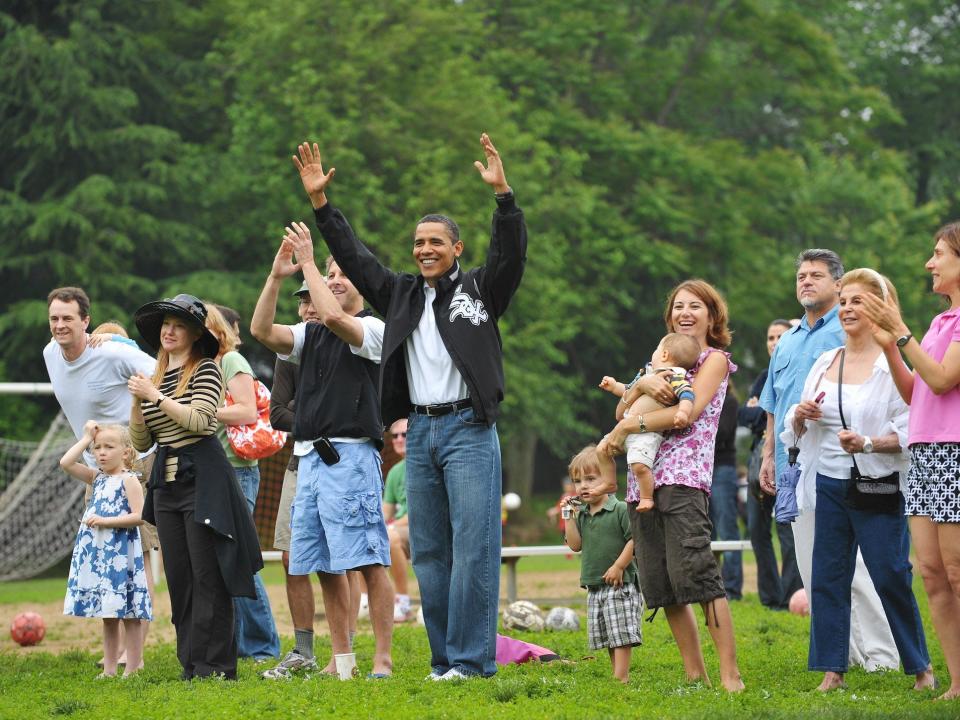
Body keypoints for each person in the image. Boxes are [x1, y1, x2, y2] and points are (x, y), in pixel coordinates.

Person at [291, 133, 526, 680]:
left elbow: (511, 255)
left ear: (456, 250)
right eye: (419, 242)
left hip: (469, 428)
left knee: (473, 548)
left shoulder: (480, 291)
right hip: (419, 432)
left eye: (436, 242)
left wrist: (504, 199)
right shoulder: (397, 294)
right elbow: (353, 256)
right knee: (430, 554)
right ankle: (444, 659)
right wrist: (322, 205)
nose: (425, 249)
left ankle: (471, 661)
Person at [251, 223, 394, 679]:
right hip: (310, 459)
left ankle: (382, 661)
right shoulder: (309, 335)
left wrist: (311, 262)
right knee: (325, 566)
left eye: (343, 272)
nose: (333, 279)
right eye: (329, 271)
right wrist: (276, 276)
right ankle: (343, 661)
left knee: (368, 560)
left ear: (363, 284)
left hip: (351, 458)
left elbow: (335, 318)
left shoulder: (373, 327)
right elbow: (260, 330)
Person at [786, 269, 934, 692]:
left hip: (876, 487)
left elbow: (910, 432)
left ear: (880, 310)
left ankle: (921, 668)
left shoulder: (894, 368)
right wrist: (801, 416)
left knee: (889, 574)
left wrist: (868, 444)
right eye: (845, 301)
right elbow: (797, 426)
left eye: (858, 302)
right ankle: (833, 670)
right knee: (828, 578)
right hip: (828, 484)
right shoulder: (824, 362)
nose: (848, 309)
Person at [758, 249, 899, 671]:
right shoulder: (787, 341)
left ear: (838, 285)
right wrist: (768, 454)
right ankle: (845, 654)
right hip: (792, 463)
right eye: (801, 275)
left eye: (816, 275)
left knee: (853, 569)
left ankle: (882, 656)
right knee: (811, 567)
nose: (805, 281)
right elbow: (774, 404)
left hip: (843, 464)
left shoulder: (846, 331)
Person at [599, 279, 743, 692]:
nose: (685, 313)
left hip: (683, 479)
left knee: (697, 575)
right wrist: (640, 387)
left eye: (695, 306)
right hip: (641, 484)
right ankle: (695, 674)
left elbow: (689, 412)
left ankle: (731, 676)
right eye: (679, 306)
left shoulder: (714, 360)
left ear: (712, 315)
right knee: (663, 585)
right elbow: (621, 405)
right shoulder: (657, 359)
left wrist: (631, 423)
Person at [128, 293, 262, 680]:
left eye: (179, 325)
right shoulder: (154, 377)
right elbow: (140, 443)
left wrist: (155, 397)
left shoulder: (205, 369)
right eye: (165, 325)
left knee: (209, 574)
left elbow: (203, 422)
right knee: (181, 578)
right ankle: (191, 664)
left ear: (193, 335)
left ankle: (217, 665)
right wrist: (138, 403)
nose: (169, 331)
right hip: (165, 483)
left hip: (203, 476)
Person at [861, 221, 960, 701]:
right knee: (933, 574)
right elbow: (916, 390)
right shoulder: (941, 322)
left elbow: (943, 380)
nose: (929, 262)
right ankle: (958, 684)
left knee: (959, 571)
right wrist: (891, 347)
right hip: (924, 453)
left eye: (938, 253)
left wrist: (901, 334)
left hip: (954, 454)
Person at [44, 287, 158, 665]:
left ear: (85, 321)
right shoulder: (50, 355)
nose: (60, 325)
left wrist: (121, 340)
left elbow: (162, 371)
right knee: (106, 556)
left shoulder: (109, 350)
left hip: (134, 463)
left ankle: (134, 654)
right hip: (96, 470)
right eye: (54, 318)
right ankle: (117, 649)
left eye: (68, 318)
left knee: (135, 556)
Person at [204, 304, 281, 662]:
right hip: (212, 471)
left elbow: (247, 411)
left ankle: (263, 646)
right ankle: (236, 644)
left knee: (239, 559)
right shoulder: (201, 366)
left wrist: (199, 410)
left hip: (238, 469)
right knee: (222, 560)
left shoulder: (231, 361)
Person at [61, 421, 151, 678]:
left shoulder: (129, 480)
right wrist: (86, 436)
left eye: (108, 447)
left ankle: (132, 669)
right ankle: (109, 669)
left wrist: (105, 522)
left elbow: (140, 516)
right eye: (97, 447)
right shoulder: (96, 478)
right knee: (108, 615)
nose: (101, 452)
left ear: (125, 452)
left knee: (130, 615)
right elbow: (65, 463)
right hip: (100, 556)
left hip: (121, 556)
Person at [563, 445, 641, 684]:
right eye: (578, 481)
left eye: (590, 478)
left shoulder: (619, 508)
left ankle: (622, 676)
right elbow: (575, 545)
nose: (583, 486)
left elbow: (634, 540)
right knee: (609, 633)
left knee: (621, 633)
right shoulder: (583, 514)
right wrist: (568, 515)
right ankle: (617, 673)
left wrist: (619, 566)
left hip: (620, 583)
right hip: (595, 584)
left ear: (607, 479)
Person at [737, 318, 801, 609]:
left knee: (788, 529)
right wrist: (764, 414)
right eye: (770, 337)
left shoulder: (797, 371)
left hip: (789, 457)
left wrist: (762, 412)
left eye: (780, 336)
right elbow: (745, 416)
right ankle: (769, 597)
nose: (774, 342)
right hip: (757, 462)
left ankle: (791, 596)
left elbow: (770, 413)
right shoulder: (764, 376)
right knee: (758, 531)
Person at [598, 332, 700, 509]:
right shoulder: (647, 374)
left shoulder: (673, 375)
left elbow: (686, 394)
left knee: (639, 466)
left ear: (664, 354)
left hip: (645, 433)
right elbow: (629, 390)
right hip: (627, 426)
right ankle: (609, 482)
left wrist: (683, 412)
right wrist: (614, 386)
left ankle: (646, 498)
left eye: (656, 349)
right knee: (601, 450)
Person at [709, 387, 742, 600]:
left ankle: (731, 588)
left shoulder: (728, 402)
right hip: (701, 470)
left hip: (722, 470)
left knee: (726, 528)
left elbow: (720, 434)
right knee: (706, 531)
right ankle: (708, 585)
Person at [383, 418, 415, 622]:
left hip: (424, 529)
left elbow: (419, 513)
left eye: (404, 434)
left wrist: (390, 527)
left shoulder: (424, 465)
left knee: (390, 536)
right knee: (360, 538)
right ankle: (365, 601)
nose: (399, 439)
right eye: (395, 435)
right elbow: (386, 511)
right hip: (400, 529)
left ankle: (403, 603)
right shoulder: (395, 471)